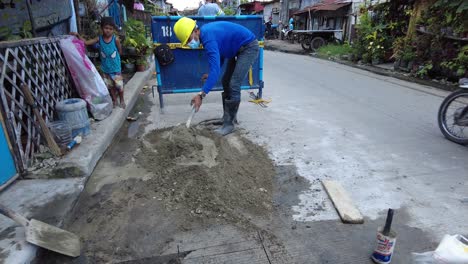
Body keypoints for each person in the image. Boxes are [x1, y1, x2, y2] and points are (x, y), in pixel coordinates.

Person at [173, 17, 259, 136]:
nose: (189, 43)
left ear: (195, 31)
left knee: (234, 84)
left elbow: (215, 70)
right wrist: (212, 73)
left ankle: (229, 125)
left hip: (248, 48)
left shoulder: (208, 38)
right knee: (225, 81)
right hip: (237, 49)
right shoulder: (206, 35)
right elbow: (221, 54)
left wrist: (201, 95)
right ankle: (227, 118)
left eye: (189, 39)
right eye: (187, 42)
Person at [71, 17, 125, 108]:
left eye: (111, 29)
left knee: (119, 86)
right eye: (106, 28)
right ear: (102, 28)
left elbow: (120, 51)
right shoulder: (99, 39)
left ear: (113, 30)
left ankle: (122, 100)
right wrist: (77, 35)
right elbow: (87, 43)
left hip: (116, 68)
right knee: (110, 86)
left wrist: (116, 61)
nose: (108, 30)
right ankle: (115, 100)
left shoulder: (116, 39)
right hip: (105, 68)